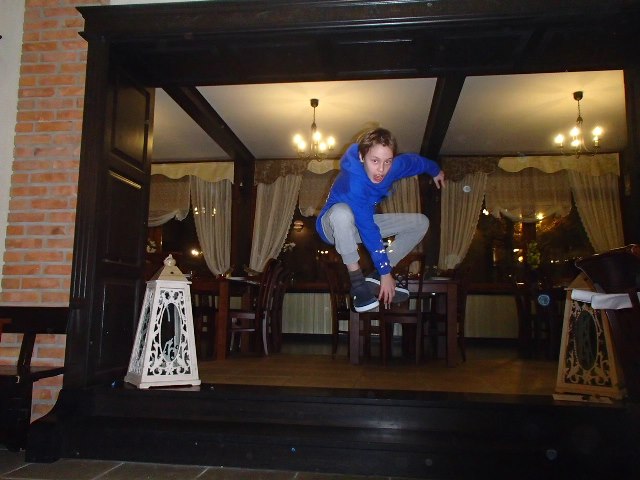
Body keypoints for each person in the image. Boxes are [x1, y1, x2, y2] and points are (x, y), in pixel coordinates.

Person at [316, 128, 445, 312]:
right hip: (331, 227)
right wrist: (386, 272)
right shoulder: (354, 182)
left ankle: (375, 277)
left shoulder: (394, 167)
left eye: (387, 161)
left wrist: (435, 170)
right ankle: (358, 284)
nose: (381, 169)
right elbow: (369, 230)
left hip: (360, 222)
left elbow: (415, 162)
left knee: (421, 222)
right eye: (374, 161)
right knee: (342, 213)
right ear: (362, 157)